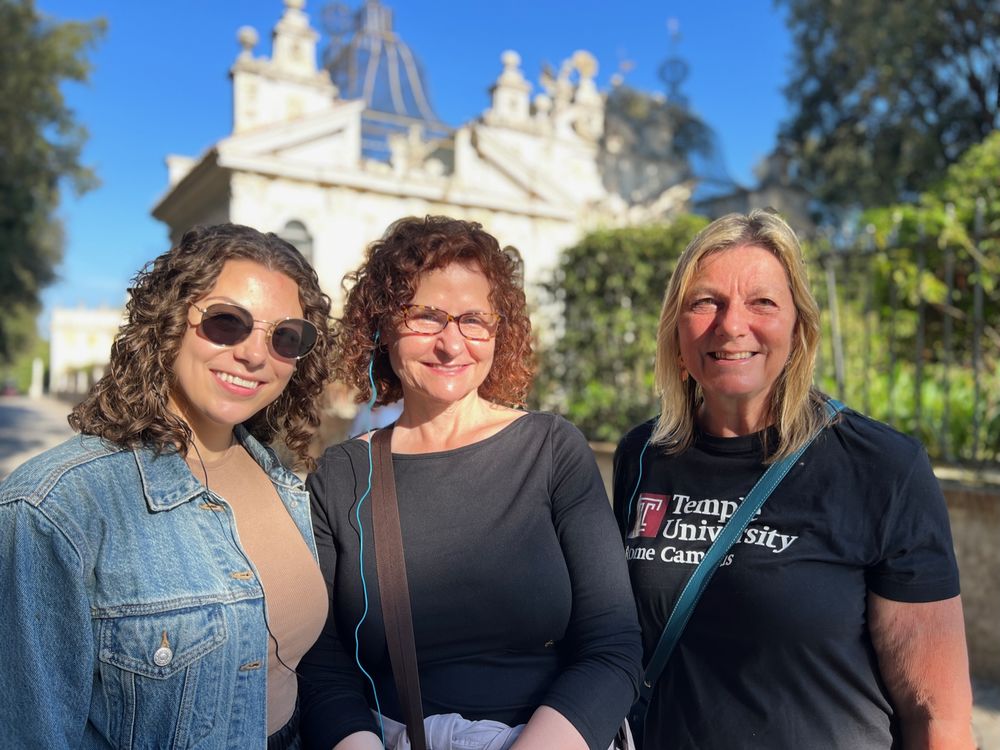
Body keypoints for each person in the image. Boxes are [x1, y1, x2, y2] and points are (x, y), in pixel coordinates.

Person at [613, 209, 974, 749]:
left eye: (762, 302)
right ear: (676, 330)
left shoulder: (881, 466)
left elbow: (937, 715)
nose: (731, 324)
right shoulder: (642, 455)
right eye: (705, 301)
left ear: (799, 327)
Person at [300, 215, 642, 750]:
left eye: (473, 320)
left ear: (498, 330)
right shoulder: (341, 476)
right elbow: (321, 661)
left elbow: (612, 644)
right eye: (427, 316)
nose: (451, 344)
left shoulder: (551, 449)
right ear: (384, 323)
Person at [0, 224, 334, 749]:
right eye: (227, 322)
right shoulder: (57, 507)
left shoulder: (281, 481)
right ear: (168, 321)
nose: (255, 354)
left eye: (285, 336)